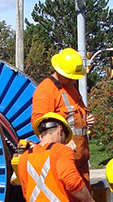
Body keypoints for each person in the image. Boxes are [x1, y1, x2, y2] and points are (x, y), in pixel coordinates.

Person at [31, 48, 95, 185]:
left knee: (84, 201)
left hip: (81, 160)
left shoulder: (72, 87)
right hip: (63, 160)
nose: (73, 80)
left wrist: (87, 118)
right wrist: (61, 142)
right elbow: (39, 124)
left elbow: (80, 110)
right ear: (60, 71)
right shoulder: (46, 90)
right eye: (70, 77)